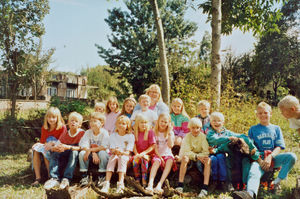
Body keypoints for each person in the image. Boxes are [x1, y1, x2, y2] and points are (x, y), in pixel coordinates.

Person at [233, 102, 297, 199]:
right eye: (260, 113)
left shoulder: (276, 128)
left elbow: (279, 147)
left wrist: (270, 157)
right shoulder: (253, 129)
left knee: (292, 157)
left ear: (271, 113)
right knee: (253, 171)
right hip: (259, 159)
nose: (263, 115)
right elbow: (251, 148)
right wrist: (260, 161)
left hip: (273, 157)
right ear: (257, 115)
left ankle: (275, 183)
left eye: (265, 112)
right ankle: (250, 193)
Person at [44, 112, 85, 190]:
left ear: (79, 125)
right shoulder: (65, 133)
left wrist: (68, 147)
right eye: (71, 120)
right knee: (54, 152)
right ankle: (54, 178)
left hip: (76, 154)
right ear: (68, 123)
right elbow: (59, 144)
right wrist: (55, 148)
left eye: (76, 121)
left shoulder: (82, 133)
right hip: (65, 152)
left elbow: (82, 148)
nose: (73, 122)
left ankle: (66, 178)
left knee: (74, 152)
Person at [175, 118, 211, 198]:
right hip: (191, 157)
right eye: (193, 128)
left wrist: (200, 156)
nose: (195, 130)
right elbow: (186, 151)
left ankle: (205, 187)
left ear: (200, 128)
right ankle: (180, 185)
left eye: (197, 128)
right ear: (190, 128)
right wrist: (196, 156)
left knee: (208, 160)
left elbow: (206, 151)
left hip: (200, 157)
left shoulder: (202, 137)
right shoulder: (187, 137)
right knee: (185, 158)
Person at [31, 107, 66, 186]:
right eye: (49, 117)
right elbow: (43, 142)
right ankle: (38, 178)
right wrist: (38, 144)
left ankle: (50, 176)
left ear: (58, 118)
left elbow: (62, 141)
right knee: (36, 150)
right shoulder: (45, 128)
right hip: (47, 148)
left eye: (53, 117)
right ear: (46, 118)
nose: (51, 119)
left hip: (58, 149)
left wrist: (52, 143)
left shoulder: (62, 127)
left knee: (45, 150)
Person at [100, 115, 135, 193]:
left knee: (122, 158)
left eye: (123, 123)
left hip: (126, 158)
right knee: (112, 157)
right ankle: (106, 183)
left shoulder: (130, 136)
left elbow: (128, 152)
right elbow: (112, 150)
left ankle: (120, 184)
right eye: (119, 123)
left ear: (127, 126)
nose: (121, 125)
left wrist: (121, 152)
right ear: (116, 124)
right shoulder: (113, 135)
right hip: (115, 156)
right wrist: (116, 151)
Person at [146, 113, 175, 194]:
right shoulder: (153, 132)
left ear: (168, 123)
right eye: (161, 121)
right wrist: (160, 157)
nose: (163, 124)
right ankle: (150, 184)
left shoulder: (170, 133)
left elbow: (171, 145)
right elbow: (154, 147)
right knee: (156, 162)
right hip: (157, 154)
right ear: (158, 121)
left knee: (169, 161)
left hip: (167, 154)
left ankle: (160, 184)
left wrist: (169, 133)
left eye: (165, 122)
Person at [78, 112, 110, 186]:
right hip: (91, 154)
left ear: (102, 123)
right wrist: (93, 152)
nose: (92, 123)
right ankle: (84, 176)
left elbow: (104, 147)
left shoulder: (104, 133)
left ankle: (102, 176)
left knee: (102, 153)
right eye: (91, 121)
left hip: (101, 156)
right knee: (82, 153)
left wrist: (90, 150)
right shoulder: (88, 132)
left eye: (94, 121)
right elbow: (83, 145)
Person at [132, 114, 156, 187]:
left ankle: (144, 179)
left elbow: (153, 146)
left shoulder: (150, 132)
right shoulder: (134, 133)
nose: (144, 124)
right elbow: (134, 145)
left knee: (143, 160)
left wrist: (144, 153)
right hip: (137, 153)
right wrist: (136, 154)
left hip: (148, 154)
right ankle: (137, 179)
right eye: (141, 122)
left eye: (145, 122)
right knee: (135, 161)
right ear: (137, 123)